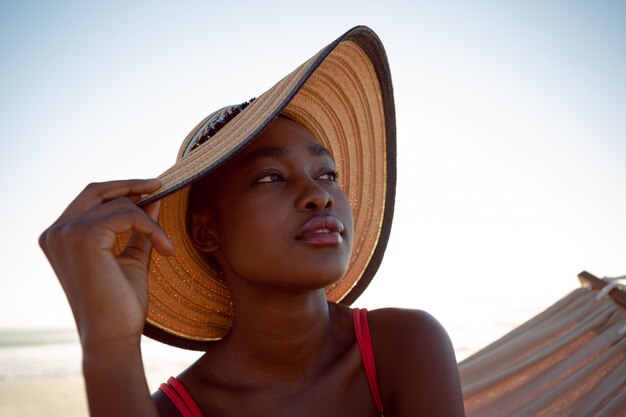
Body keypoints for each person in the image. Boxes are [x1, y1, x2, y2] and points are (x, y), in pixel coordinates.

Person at [39, 26, 465, 417]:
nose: (319, 195)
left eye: (327, 174)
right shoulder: (173, 411)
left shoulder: (404, 344)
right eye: (270, 177)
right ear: (207, 232)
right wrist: (109, 344)